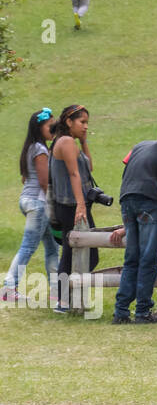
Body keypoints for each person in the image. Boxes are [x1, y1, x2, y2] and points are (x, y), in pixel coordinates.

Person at [108, 121, 157, 324]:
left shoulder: (140, 145)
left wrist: (128, 225)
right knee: (148, 259)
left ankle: (121, 312)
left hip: (126, 198)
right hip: (148, 202)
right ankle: (143, 312)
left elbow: (130, 170)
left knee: (131, 258)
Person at [3, 109, 60, 302]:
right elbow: (45, 182)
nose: (53, 129)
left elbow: (25, 178)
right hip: (38, 203)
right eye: (49, 126)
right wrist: (53, 207)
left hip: (29, 200)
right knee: (28, 247)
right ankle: (9, 288)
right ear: (39, 128)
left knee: (52, 247)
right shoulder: (40, 150)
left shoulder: (32, 147)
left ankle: (56, 291)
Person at [48, 105, 98, 312]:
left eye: (87, 123)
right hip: (71, 206)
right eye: (82, 122)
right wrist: (80, 204)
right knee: (80, 252)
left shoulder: (70, 142)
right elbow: (74, 175)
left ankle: (66, 297)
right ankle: (63, 299)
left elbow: (89, 168)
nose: (86, 127)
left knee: (76, 252)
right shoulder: (66, 142)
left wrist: (84, 141)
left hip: (72, 205)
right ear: (69, 122)